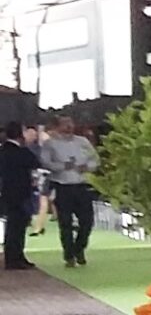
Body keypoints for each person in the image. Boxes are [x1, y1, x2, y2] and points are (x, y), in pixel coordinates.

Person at [38, 114, 98, 266]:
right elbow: (45, 162)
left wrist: (88, 167)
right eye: (65, 123)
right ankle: (69, 255)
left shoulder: (82, 141)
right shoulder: (50, 144)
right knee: (65, 223)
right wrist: (62, 166)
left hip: (81, 185)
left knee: (87, 221)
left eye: (70, 123)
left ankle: (79, 248)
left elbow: (95, 159)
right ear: (57, 127)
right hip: (62, 185)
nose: (69, 126)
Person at [0, 124, 37, 272]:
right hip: (20, 193)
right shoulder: (21, 152)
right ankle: (15, 258)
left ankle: (14, 257)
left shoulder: (3, 151)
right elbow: (34, 162)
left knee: (12, 226)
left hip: (8, 193)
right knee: (18, 227)